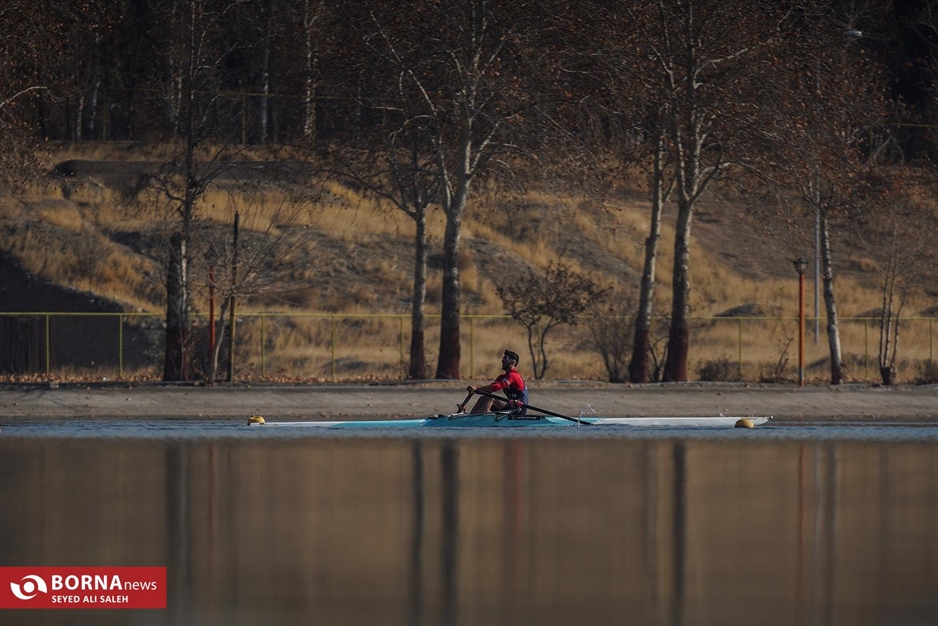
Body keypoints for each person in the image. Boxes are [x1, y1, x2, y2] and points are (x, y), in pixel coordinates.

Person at [465, 349, 529, 415]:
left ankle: (476, 420)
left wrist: (477, 387)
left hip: (519, 409)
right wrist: (474, 390)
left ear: (513, 363)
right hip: (511, 406)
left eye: (505, 358)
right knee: (484, 398)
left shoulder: (513, 375)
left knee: (491, 399)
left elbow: (496, 387)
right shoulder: (502, 376)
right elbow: (489, 390)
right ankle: (470, 418)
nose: (502, 360)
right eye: (503, 357)